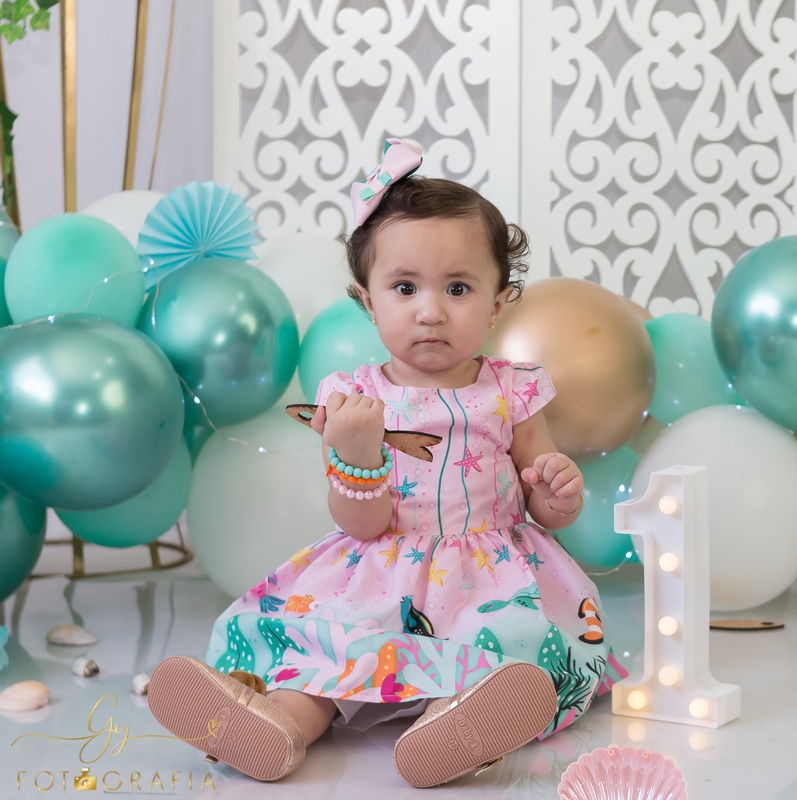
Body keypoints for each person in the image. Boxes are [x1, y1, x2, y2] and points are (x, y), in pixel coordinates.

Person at [147, 140, 625, 788]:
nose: (430, 310)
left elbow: (543, 496)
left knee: (504, 638)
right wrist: (356, 453)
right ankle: (279, 722)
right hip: (377, 571)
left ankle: (453, 723)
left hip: (490, 573)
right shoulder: (353, 398)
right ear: (368, 301)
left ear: (497, 303)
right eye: (405, 288)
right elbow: (362, 524)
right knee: (328, 639)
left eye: (458, 288)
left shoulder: (512, 390)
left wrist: (557, 489)